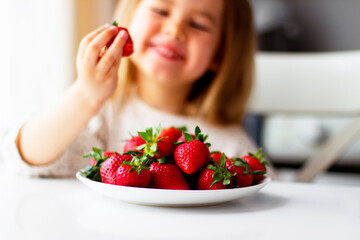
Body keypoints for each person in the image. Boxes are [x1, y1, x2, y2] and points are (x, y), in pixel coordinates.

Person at [2, 0, 263, 178]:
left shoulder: (232, 146)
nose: (174, 30)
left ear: (220, 53)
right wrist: (86, 95)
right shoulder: (101, 116)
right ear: (130, 16)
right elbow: (22, 158)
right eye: (161, 10)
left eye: (198, 25)